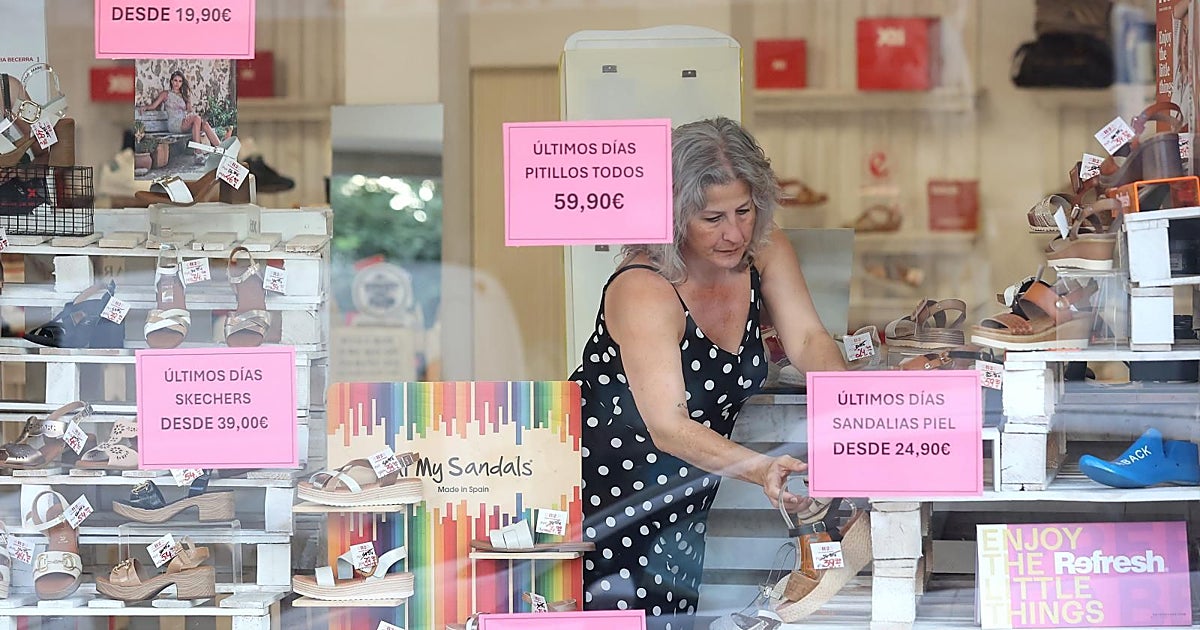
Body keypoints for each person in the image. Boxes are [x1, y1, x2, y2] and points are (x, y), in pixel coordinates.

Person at [570, 117, 847, 630]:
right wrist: (762, 468)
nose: (734, 232)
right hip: (605, 494)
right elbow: (668, 425)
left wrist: (850, 412)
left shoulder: (762, 250)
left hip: (685, 493)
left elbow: (809, 340)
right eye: (712, 217)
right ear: (673, 216)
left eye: (744, 210)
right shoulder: (644, 286)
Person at [138, 70, 222, 160]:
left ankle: (222, 150)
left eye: (180, 81)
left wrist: (188, 116)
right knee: (197, 118)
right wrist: (145, 107)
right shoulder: (166, 94)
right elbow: (154, 105)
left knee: (205, 124)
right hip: (175, 124)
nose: (177, 83)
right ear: (171, 81)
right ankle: (198, 152)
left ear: (182, 83)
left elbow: (190, 110)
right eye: (175, 80)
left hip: (185, 122)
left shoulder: (185, 95)